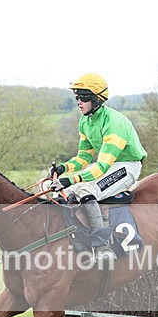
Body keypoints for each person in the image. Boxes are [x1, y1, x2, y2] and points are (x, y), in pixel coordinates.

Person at [48, 73, 147, 262]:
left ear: (96, 99)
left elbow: (102, 166)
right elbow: (84, 157)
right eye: (76, 96)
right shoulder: (85, 120)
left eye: (83, 97)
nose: (79, 101)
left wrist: (74, 178)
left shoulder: (113, 122)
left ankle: (103, 247)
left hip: (127, 165)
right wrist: (63, 169)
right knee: (66, 191)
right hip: (106, 164)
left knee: (87, 192)